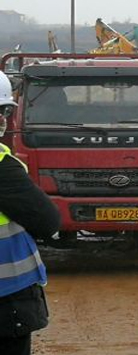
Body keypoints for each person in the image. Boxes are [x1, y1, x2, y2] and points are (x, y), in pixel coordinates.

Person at [0, 70, 61, 355]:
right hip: (6, 298)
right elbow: (47, 220)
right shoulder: (3, 166)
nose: (2, 119)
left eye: (4, 112)